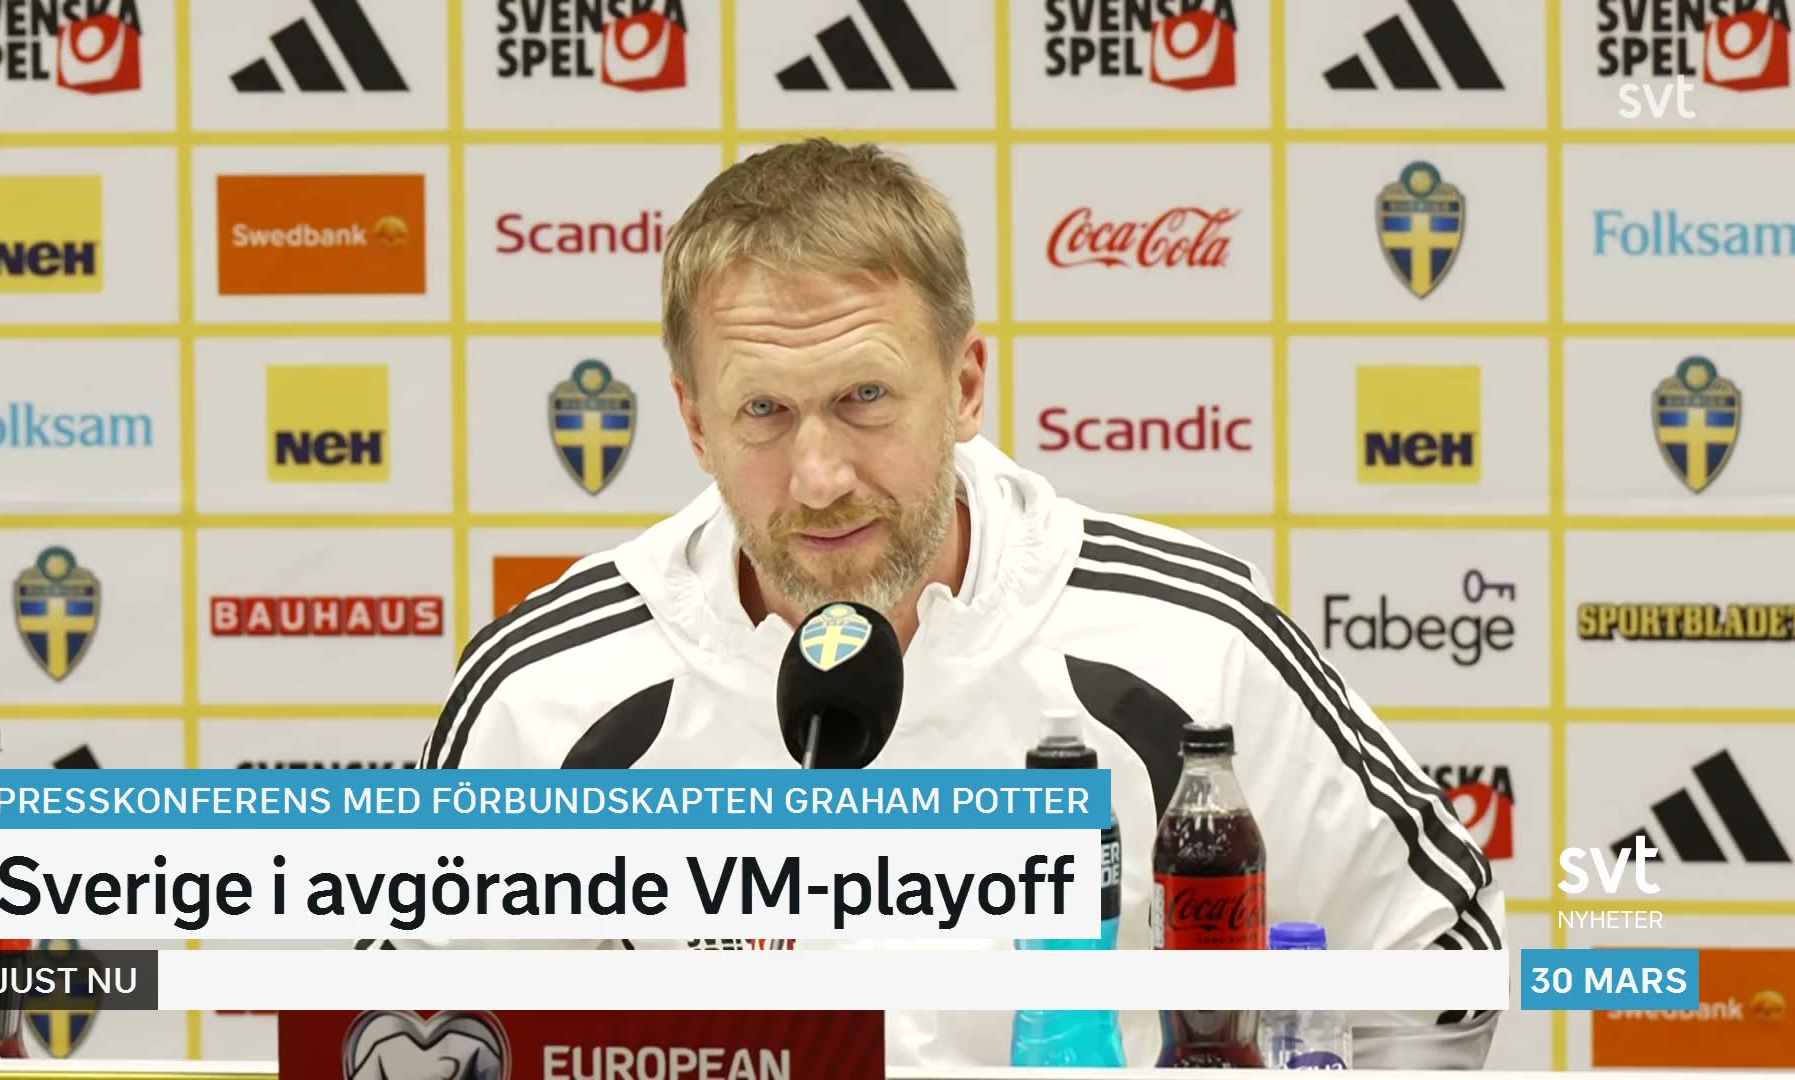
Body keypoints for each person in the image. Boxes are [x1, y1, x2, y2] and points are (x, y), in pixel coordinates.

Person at [366, 138, 1506, 1068]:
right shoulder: (550, 695)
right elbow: (401, 1034)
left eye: (865, 396)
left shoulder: (1190, 642)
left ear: (964, 386)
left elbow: (1437, 967)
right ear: (694, 422)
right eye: (764, 412)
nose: (819, 477)